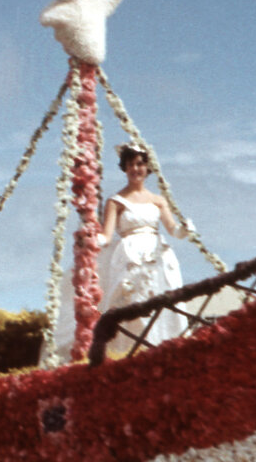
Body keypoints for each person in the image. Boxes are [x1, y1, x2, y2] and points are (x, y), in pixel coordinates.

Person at [48, 143, 193, 361]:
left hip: (157, 256)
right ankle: (127, 356)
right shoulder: (116, 201)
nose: (136, 169)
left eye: (140, 164)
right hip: (129, 257)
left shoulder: (158, 200)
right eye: (131, 164)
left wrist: (185, 229)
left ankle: (166, 353)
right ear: (124, 168)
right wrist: (89, 238)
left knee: (163, 303)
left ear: (147, 168)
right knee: (130, 303)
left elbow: (173, 229)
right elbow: (106, 236)